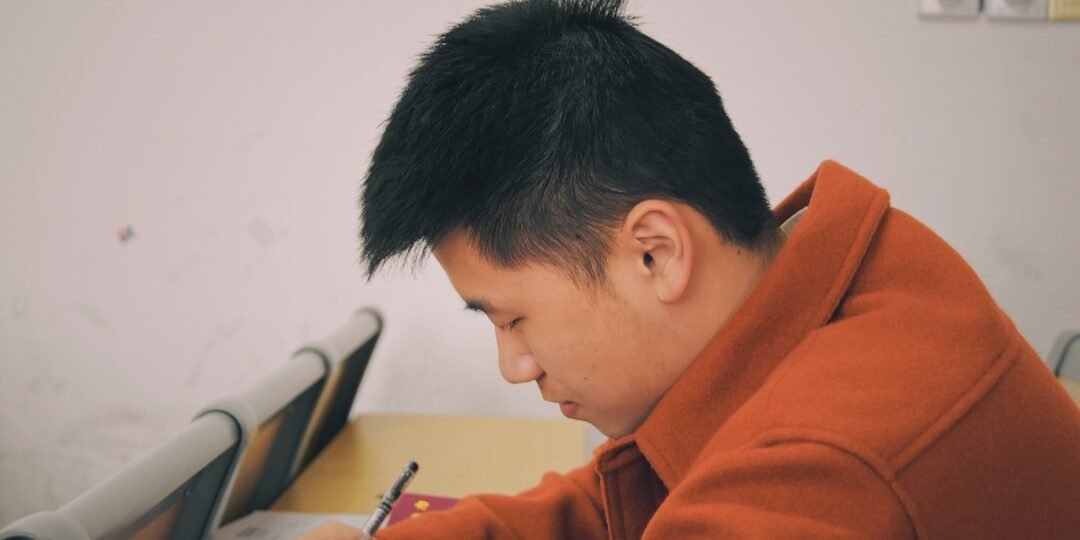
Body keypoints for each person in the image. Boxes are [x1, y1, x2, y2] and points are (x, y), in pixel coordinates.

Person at [303, 0, 1080, 538]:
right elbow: (627, 498)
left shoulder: (820, 474)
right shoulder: (852, 271)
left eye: (512, 319)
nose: (516, 366)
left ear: (656, 252)